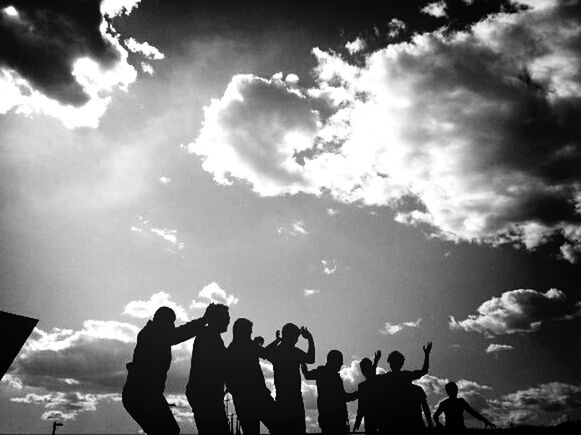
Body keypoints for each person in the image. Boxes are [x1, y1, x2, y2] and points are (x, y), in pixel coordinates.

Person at [122, 306, 209, 435]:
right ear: (162, 321)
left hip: (145, 394)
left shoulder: (154, 333)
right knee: (169, 430)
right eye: (171, 322)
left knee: (168, 430)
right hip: (141, 395)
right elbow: (177, 335)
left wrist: (201, 322)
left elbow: (176, 334)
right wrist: (203, 320)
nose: (173, 326)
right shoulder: (151, 334)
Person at [225, 318, 278, 434]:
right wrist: (277, 341)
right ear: (242, 332)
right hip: (259, 396)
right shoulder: (248, 346)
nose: (251, 333)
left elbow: (263, 352)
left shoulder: (231, 350)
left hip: (243, 401)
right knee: (280, 426)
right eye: (249, 331)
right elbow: (266, 353)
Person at [186, 304, 231, 435]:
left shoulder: (211, 336)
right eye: (226, 317)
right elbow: (218, 363)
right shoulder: (208, 336)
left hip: (206, 394)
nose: (228, 320)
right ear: (218, 319)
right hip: (205, 395)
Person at [264, 323, 315, 434]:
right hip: (294, 399)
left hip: (282, 398)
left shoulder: (278, 351)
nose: (296, 340)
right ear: (292, 337)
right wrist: (310, 338)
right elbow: (311, 358)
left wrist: (277, 340)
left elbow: (265, 353)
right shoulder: (294, 352)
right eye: (296, 337)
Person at [376, 342, 433, 432]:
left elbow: (372, 379)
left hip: (397, 421)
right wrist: (426, 354)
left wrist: (375, 362)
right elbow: (424, 371)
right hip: (400, 421)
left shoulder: (388, 377)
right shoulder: (403, 375)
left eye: (394, 362)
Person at [302, 350, 358, 434]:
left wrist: (303, 367)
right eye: (340, 361)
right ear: (334, 361)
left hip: (326, 418)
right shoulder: (335, 378)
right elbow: (343, 398)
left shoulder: (321, 372)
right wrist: (359, 393)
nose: (341, 363)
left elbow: (307, 375)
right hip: (337, 419)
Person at [353, 351, 382, 434]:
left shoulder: (378, 381)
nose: (363, 371)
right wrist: (358, 422)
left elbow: (372, 378)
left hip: (378, 418)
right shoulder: (362, 386)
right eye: (362, 368)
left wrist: (375, 362)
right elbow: (361, 406)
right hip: (371, 420)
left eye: (365, 368)